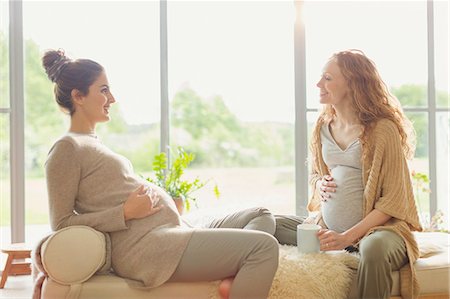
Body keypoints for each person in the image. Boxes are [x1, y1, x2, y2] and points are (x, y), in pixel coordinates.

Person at [42, 49, 279, 299]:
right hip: (150, 248)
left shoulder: (92, 142)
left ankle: (232, 270)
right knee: (263, 247)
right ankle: (237, 266)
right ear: (78, 96)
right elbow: (61, 222)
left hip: (174, 230)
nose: (112, 98)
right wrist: (123, 213)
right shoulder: (66, 149)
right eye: (103, 90)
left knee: (260, 215)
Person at [274, 49, 422, 299]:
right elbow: (315, 175)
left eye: (328, 78)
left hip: (380, 233)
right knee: (270, 222)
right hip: (328, 229)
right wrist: (320, 183)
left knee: (373, 250)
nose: (319, 84)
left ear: (353, 83)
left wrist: (346, 237)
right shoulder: (322, 127)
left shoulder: (382, 130)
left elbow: (393, 201)